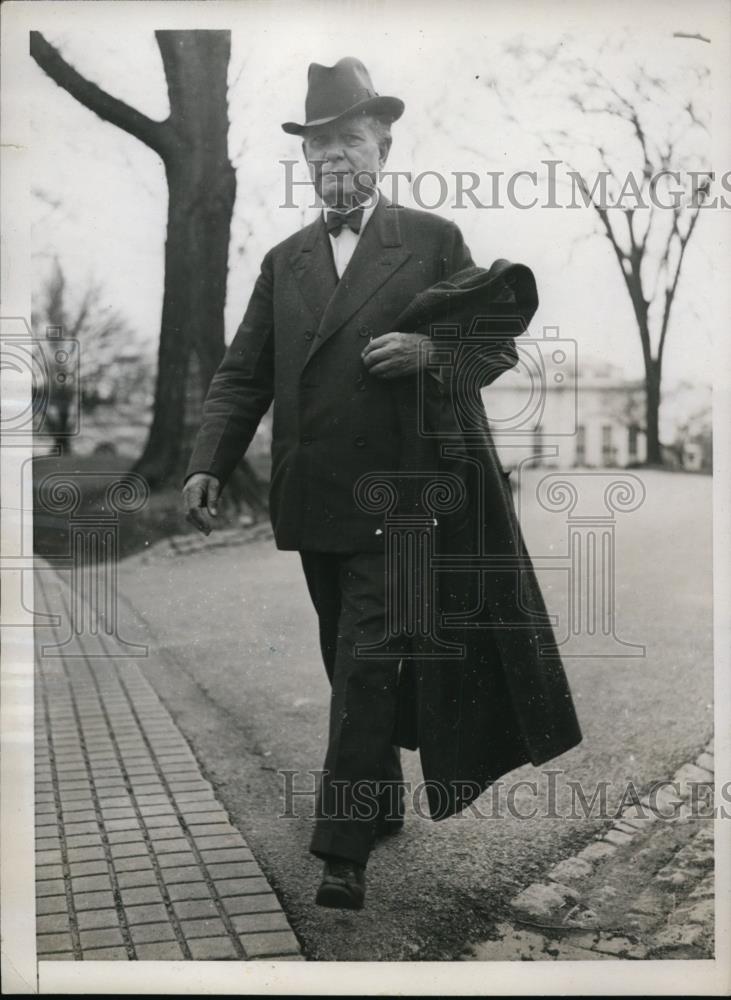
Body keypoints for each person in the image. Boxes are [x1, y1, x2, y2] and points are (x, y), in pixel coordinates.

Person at [182, 56, 582, 911]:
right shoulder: (283, 259)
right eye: (317, 143)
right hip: (314, 496)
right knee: (346, 659)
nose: (332, 157)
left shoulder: (431, 240)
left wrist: (433, 354)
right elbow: (242, 375)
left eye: (348, 140)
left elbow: (493, 346)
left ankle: (342, 852)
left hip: (404, 504)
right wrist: (207, 463)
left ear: (383, 146)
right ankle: (377, 794)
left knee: (366, 665)